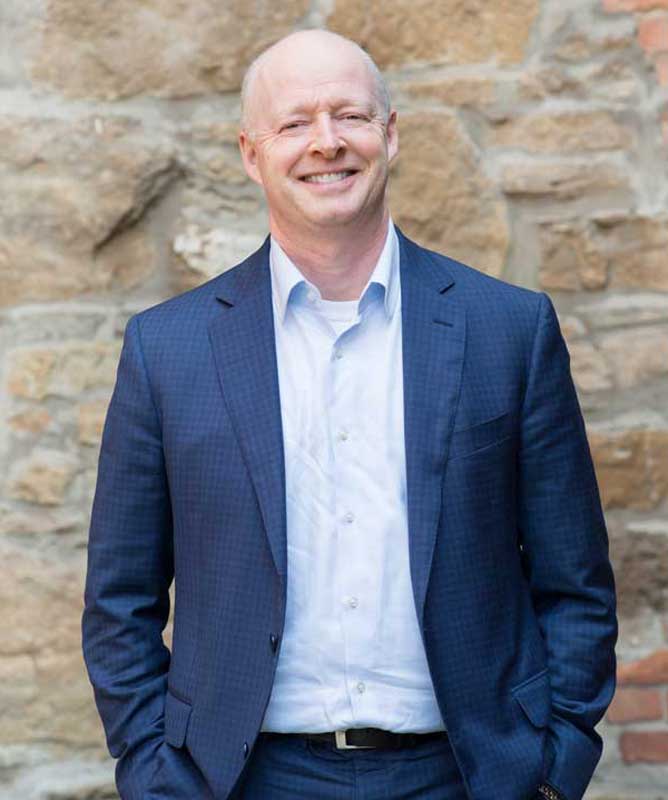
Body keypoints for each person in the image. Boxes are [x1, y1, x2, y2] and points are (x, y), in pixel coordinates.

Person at [82, 28, 617, 800]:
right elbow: (118, 601)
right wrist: (155, 774)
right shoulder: (169, 350)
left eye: (351, 116)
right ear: (249, 153)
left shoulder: (508, 329)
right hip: (240, 779)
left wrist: (552, 768)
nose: (326, 143)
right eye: (294, 123)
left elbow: (576, 584)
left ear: (391, 135)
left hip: (467, 776)